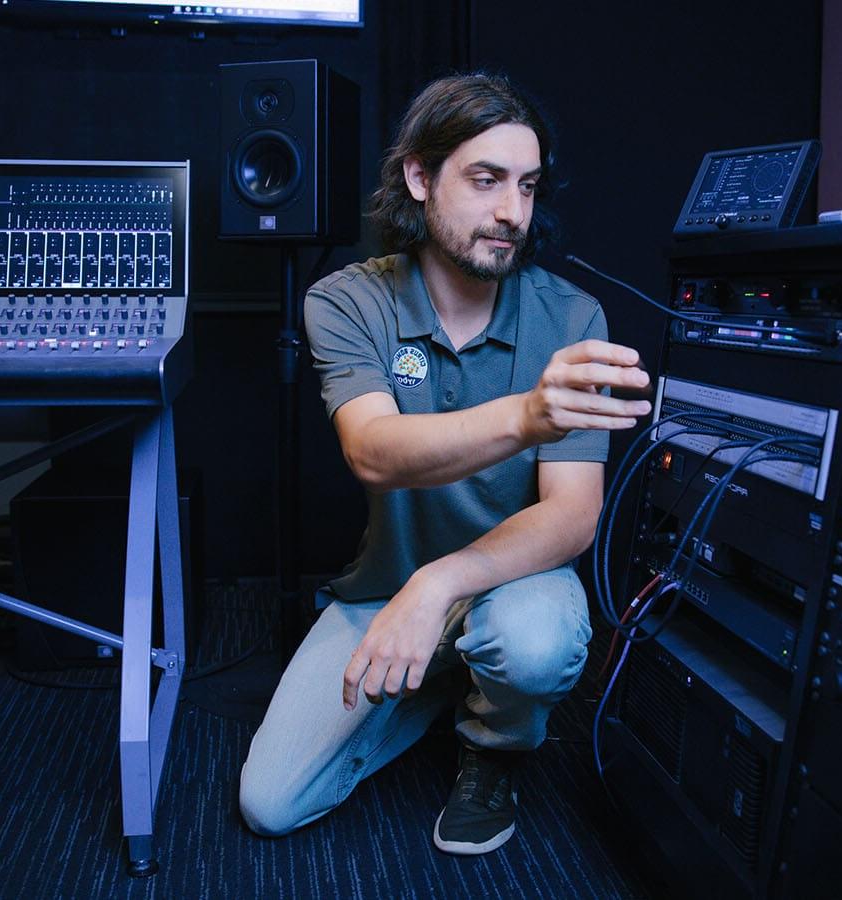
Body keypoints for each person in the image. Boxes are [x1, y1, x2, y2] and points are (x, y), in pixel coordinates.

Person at [237, 72, 650, 855]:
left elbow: (572, 516)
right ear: (420, 178)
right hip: (383, 590)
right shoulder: (347, 300)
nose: (512, 214)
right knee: (271, 803)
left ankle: (493, 746)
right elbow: (374, 451)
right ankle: (440, 684)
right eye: (486, 180)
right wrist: (529, 415)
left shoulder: (572, 316)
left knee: (531, 642)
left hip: (511, 584)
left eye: (527, 187)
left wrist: (442, 582)